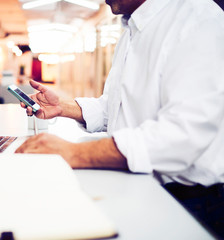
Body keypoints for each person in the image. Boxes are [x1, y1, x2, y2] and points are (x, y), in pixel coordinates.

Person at [16, 0, 224, 238]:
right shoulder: (131, 33)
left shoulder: (197, 19)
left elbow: (183, 135)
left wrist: (74, 153)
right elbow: (113, 109)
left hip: (192, 202)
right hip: (140, 185)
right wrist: (61, 107)